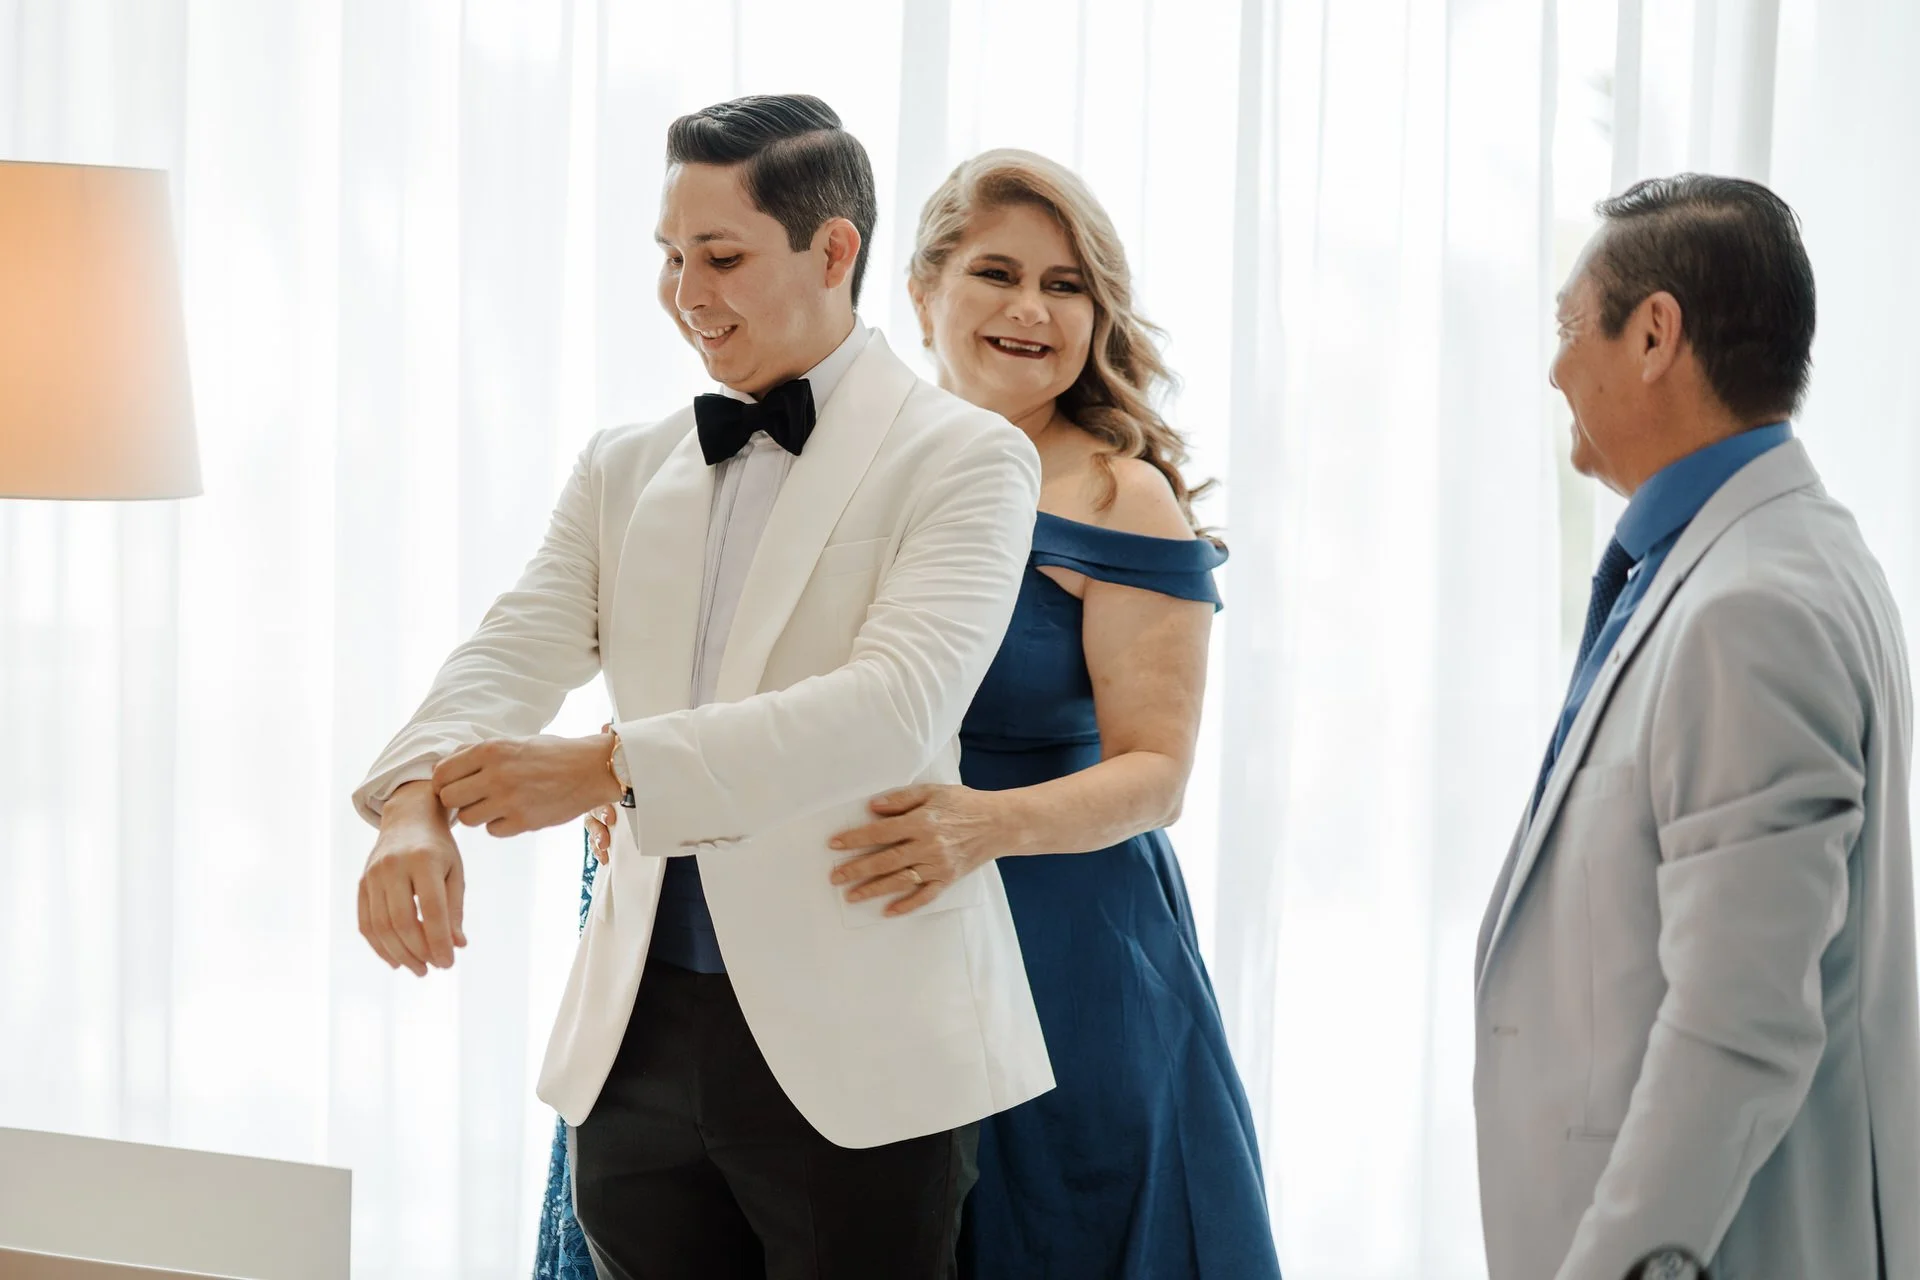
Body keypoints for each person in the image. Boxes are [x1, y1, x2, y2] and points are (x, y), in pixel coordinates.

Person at [353, 94, 1054, 1280]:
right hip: (636, 1037)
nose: (686, 292)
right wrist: (412, 798)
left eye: (720, 256)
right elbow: (513, 644)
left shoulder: (970, 454)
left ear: (833, 251)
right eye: (670, 256)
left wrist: (609, 764)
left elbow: (894, 706)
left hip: (862, 1041)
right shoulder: (624, 465)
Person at [589, 148, 1281, 1279]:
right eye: (996, 273)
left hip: (1062, 943)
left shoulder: (1122, 494)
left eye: (1065, 286)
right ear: (920, 291)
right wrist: (636, 783)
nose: (1029, 309)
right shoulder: (843, 463)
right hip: (847, 947)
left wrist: (982, 826)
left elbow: (1157, 773)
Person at [1474, 174, 1920, 1279]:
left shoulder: (1750, 604)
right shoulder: (1773, 554)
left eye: (1570, 326)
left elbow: (1739, 1021)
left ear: (1654, 334)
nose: (1554, 368)